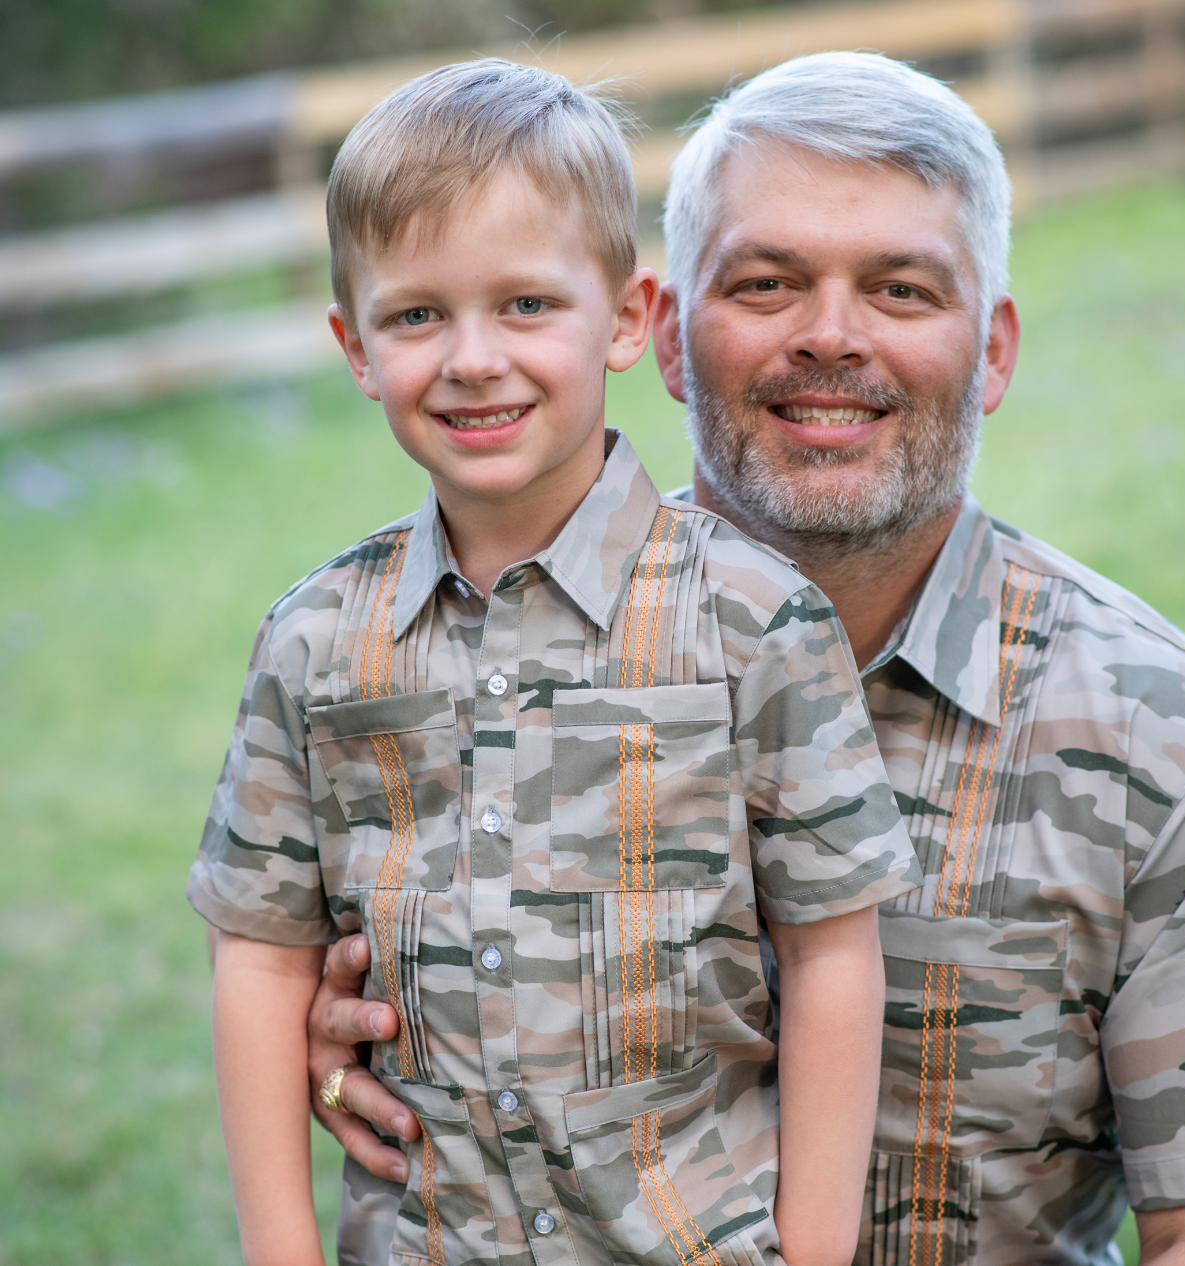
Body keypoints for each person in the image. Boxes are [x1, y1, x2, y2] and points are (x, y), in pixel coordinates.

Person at [307, 52, 1185, 1266]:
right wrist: (353, 1028)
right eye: (768, 283)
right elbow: (289, 952)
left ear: (992, 352)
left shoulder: (1162, 734)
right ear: (666, 337)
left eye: (899, 290)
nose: (830, 337)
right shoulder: (426, 672)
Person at [187, 58, 924, 1266]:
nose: (474, 358)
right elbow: (261, 958)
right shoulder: (313, 639)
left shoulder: (752, 620)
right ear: (356, 346)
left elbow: (832, 952)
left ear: (630, 317)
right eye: (418, 314)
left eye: (527, 304)